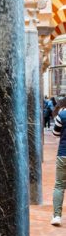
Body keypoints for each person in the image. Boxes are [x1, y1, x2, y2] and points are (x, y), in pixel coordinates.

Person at [51, 97, 66, 227]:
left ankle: (57, 216)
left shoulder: (62, 114)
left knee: (59, 185)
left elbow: (55, 133)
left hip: (63, 154)